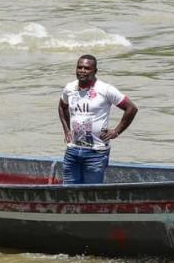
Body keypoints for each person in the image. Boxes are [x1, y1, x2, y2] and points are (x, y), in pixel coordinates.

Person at [57, 54, 139, 185]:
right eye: (79, 67)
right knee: (69, 191)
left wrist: (116, 131)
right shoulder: (69, 88)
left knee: (91, 192)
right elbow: (62, 106)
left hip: (96, 152)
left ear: (95, 71)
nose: (82, 71)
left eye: (87, 68)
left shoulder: (105, 89)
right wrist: (66, 130)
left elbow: (131, 108)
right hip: (73, 150)